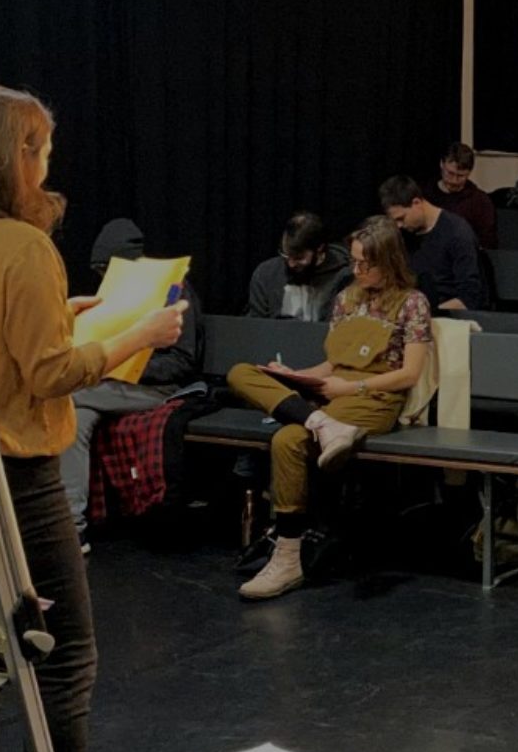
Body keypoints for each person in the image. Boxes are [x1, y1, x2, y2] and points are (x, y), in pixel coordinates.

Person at [0, 86, 185, 752]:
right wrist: (138, 334)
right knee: (66, 658)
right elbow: (48, 376)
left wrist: (60, 315)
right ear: (17, 155)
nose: (49, 163)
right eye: (42, 149)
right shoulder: (25, 246)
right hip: (23, 479)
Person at [224, 217, 431, 600]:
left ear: (388, 261)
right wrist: (295, 376)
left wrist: (351, 387)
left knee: (287, 439)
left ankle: (287, 557)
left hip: (373, 398)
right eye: (354, 262)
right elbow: (332, 364)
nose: (357, 271)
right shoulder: (346, 299)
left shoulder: (412, 303)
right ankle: (320, 422)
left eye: (365, 264)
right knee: (240, 373)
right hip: (332, 395)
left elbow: (409, 374)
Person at [64, 218, 205, 547]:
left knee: (67, 396)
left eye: (106, 270)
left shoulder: (174, 290)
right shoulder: (111, 293)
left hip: (158, 389)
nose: (102, 278)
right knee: (75, 418)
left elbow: (182, 362)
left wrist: (128, 366)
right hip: (111, 387)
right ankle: (72, 528)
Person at [377, 175, 486, 310]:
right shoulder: (404, 234)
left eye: (401, 218)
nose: (399, 225)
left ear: (417, 203)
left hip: (445, 314)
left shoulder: (457, 233)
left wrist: (425, 312)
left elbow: (470, 297)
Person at [245, 210, 352, 321]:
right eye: (286, 255)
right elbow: (256, 324)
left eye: (298, 258)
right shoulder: (266, 274)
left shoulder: (344, 277)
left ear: (319, 249)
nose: (291, 264)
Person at [428, 141, 498, 251]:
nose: (454, 181)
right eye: (450, 173)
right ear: (441, 164)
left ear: (469, 173)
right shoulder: (425, 194)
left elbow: (487, 243)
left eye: (461, 176)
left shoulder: (480, 201)